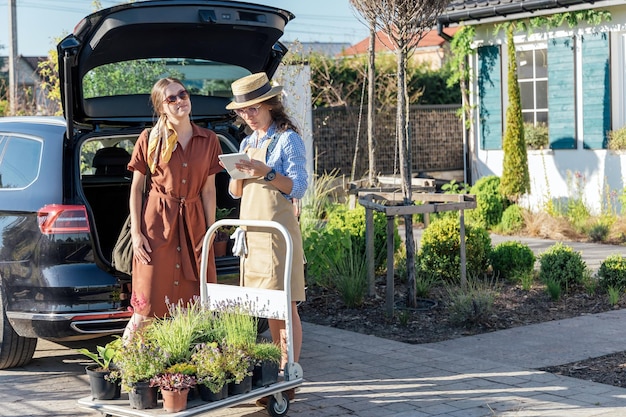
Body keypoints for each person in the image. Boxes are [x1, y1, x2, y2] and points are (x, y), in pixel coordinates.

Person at [225, 72, 308, 403]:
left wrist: (265, 173)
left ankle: (290, 376)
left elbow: (299, 187)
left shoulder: (288, 139)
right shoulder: (247, 144)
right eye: (242, 111)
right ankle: (274, 374)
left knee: (285, 306)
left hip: (277, 236)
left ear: (270, 104)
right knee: (265, 306)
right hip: (252, 236)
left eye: (253, 109)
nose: (248, 115)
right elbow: (235, 193)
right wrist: (236, 175)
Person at [122, 77, 222, 341]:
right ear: (161, 107)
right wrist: (136, 233)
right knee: (146, 306)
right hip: (157, 224)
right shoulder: (148, 139)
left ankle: (181, 376)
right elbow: (136, 189)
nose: (180, 101)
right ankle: (123, 370)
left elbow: (208, 190)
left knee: (195, 305)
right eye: (172, 98)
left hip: (195, 225)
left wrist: (209, 233)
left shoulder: (209, 140)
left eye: (183, 94)